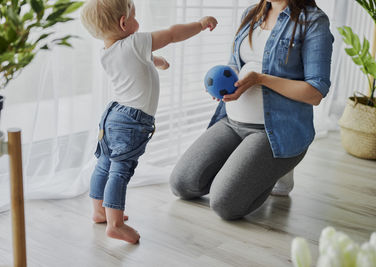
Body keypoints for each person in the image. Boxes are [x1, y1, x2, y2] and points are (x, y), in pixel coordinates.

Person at [169, 0, 334, 220]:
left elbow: (315, 93)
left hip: (274, 132)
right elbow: (236, 63)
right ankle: (250, 167)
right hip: (231, 121)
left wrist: (261, 79)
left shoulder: (313, 22)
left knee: (225, 205)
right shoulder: (252, 13)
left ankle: (274, 167)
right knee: (182, 184)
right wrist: (222, 80)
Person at [81, 0, 218, 243]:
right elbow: (173, 34)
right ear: (124, 23)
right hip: (132, 121)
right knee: (120, 170)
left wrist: (156, 61)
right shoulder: (135, 42)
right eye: (133, 14)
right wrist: (199, 24)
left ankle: (99, 210)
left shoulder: (107, 51)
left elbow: (133, 61)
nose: (136, 18)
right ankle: (115, 224)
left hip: (112, 115)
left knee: (104, 163)